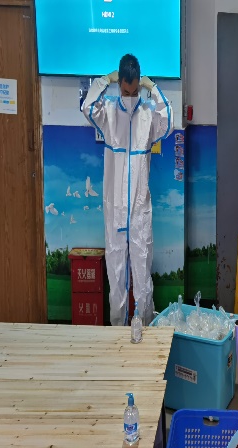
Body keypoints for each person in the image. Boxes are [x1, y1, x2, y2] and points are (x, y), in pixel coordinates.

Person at [82, 54, 173, 327]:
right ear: (119, 84)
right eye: (125, 91)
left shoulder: (147, 115)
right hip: (115, 210)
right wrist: (104, 81)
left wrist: (152, 87)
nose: (131, 97)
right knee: (116, 276)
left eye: (135, 92)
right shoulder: (108, 112)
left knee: (142, 276)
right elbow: (87, 106)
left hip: (140, 210)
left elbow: (168, 121)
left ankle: (145, 328)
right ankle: (117, 333)